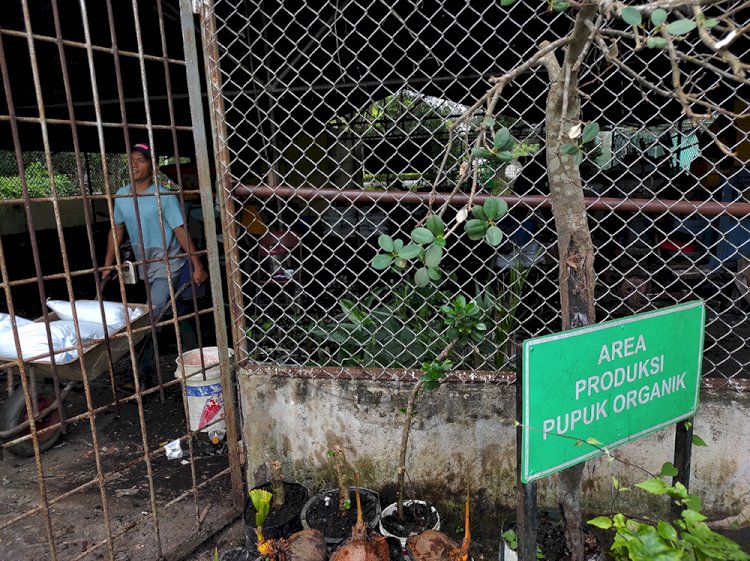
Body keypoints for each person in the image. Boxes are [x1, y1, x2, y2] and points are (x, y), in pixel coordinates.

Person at [102, 143, 208, 384]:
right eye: (132, 159)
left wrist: (196, 264)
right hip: (143, 265)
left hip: (168, 263)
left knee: (149, 317)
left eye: (141, 160)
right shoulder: (121, 195)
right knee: (175, 310)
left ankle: (142, 375)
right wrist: (108, 265)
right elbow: (116, 231)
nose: (135, 164)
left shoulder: (164, 197)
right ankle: (201, 358)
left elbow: (180, 231)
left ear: (153, 166)